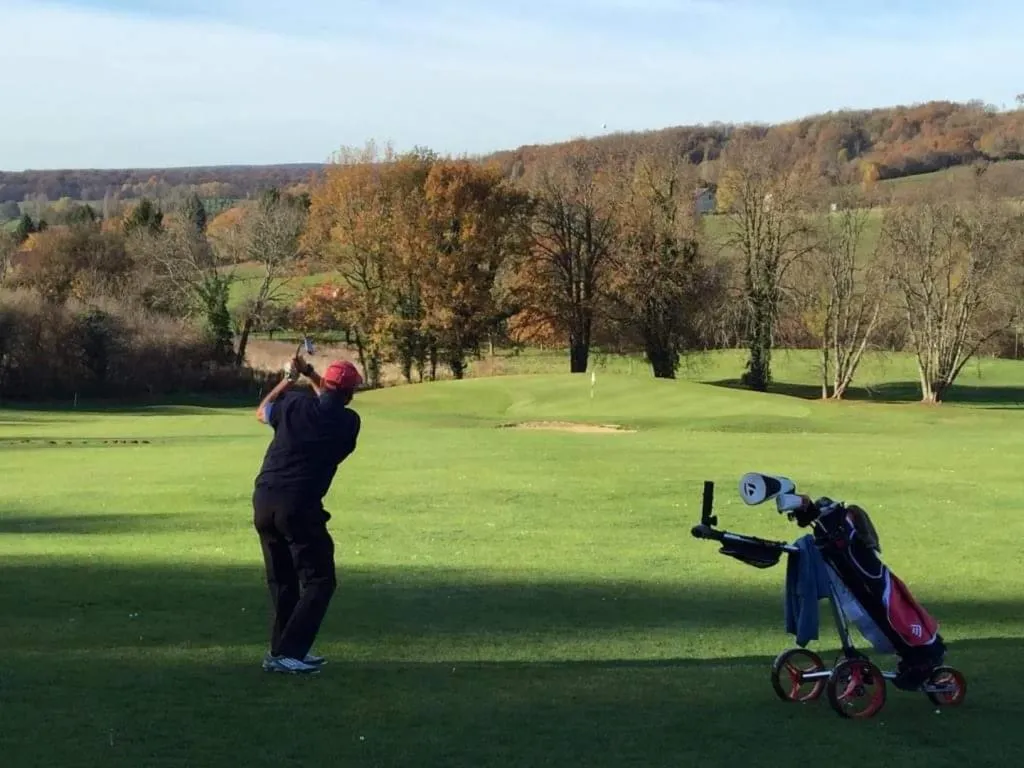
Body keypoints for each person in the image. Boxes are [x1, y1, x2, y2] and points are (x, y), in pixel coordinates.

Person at [251, 355, 363, 674]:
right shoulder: (348, 423)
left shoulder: (292, 405)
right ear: (351, 394)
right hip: (298, 505)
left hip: (264, 501)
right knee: (320, 580)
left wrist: (289, 378)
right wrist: (311, 375)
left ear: (326, 384)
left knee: (283, 579)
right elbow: (329, 403)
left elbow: (261, 412)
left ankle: (282, 650)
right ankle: (289, 652)